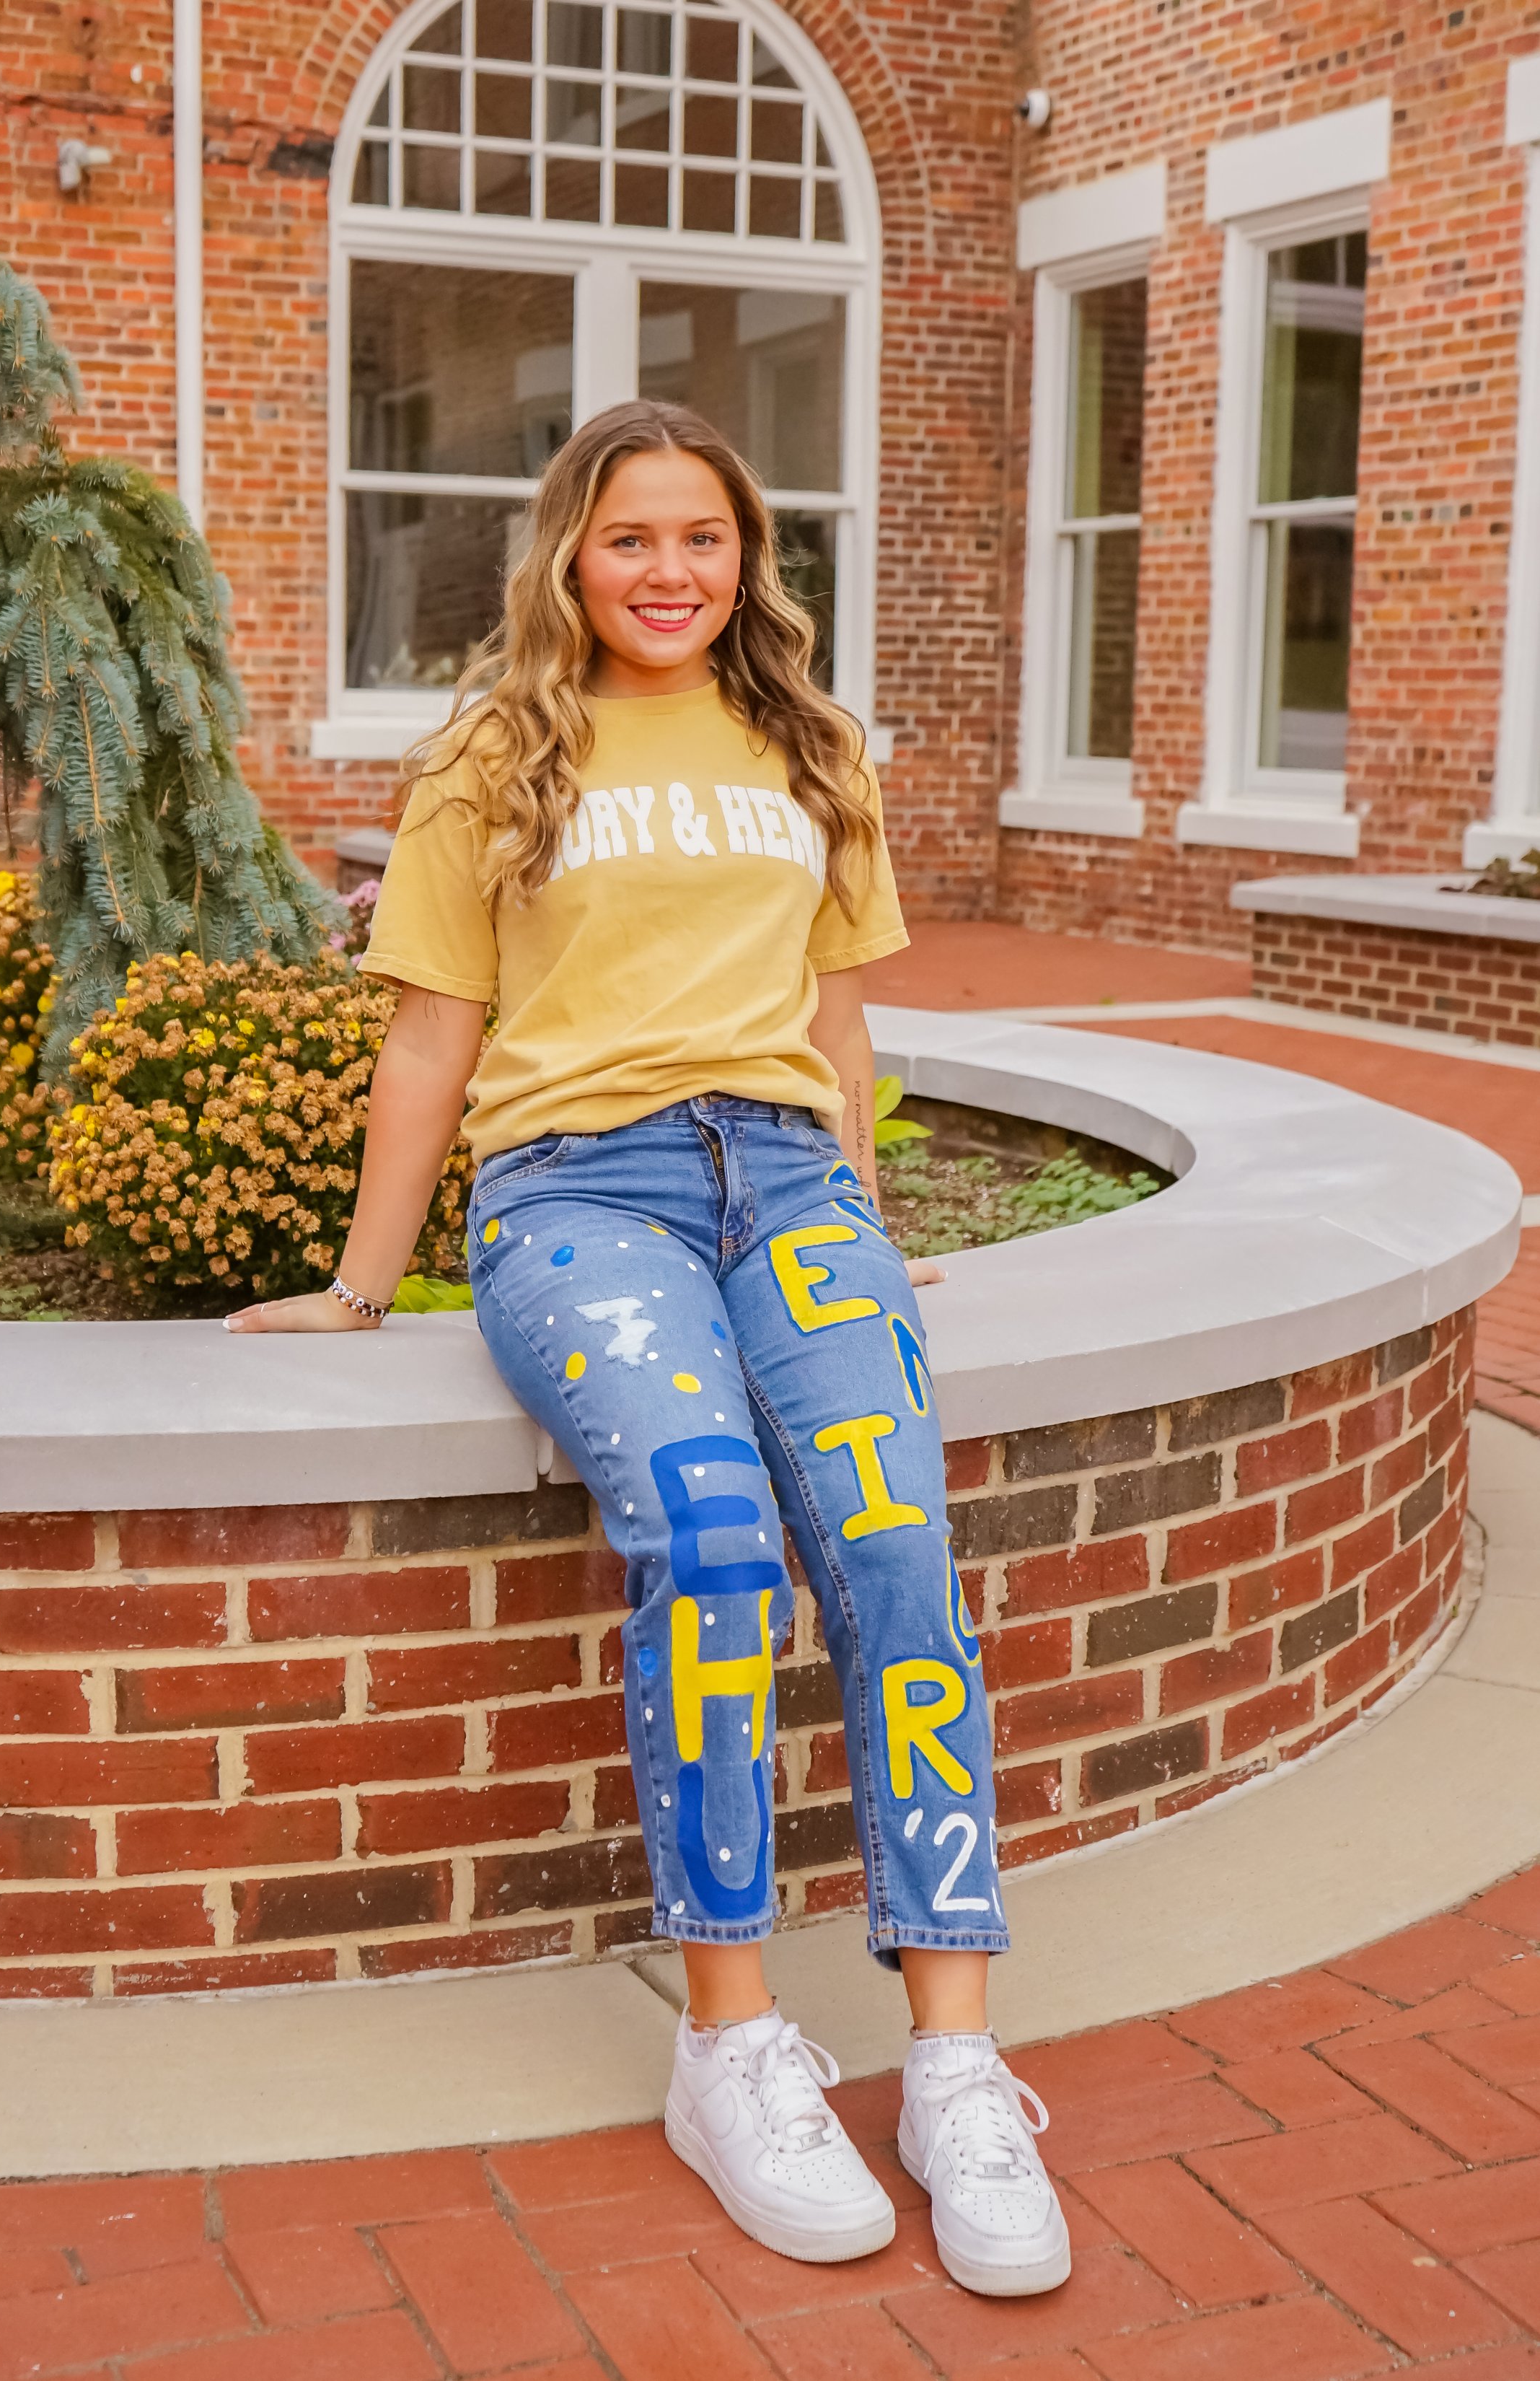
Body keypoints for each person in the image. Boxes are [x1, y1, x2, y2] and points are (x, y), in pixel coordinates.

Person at [227, 398, 1069, 2293]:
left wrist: (857, 1226)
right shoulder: (494, 756)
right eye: (631, 539)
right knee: (703, 1536)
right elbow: (430, 1046)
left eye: (702, 536)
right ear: (568, 557)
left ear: (746, 555)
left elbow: (835, 1036)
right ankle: (730, 2042)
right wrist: (364, 1284)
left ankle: (951, 2060)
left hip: (787, 1189)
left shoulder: (811, 745)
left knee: (891, 1550)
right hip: (578, 1199)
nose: (669, 570)